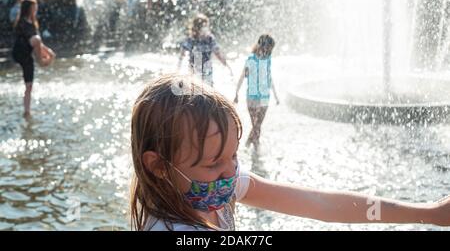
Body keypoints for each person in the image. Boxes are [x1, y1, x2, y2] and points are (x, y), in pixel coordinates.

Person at [130, 74, 450, 231]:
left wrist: (428, 213)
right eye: (214, 163)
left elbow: (323, 204)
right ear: (158, 165)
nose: (231, 173)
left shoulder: (204, 187)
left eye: (234, 156)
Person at [12, 0, 56, 119]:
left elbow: (38, 42)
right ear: (29, 9)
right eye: (34, 8)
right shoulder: (21, 23)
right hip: (20, 52)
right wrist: (43, 54)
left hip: (28, 54)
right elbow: (34, 40)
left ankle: (27, 111)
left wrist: (49, 52)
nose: (36, 10)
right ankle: (41, 61)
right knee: (36, 39)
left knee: (29, 85)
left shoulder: (32, 23)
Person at [234, 35, 280, 149]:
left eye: (270, 49)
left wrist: (275, 95)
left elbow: (269, 78)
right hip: (252, 96)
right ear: (261, 45)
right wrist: (236, 93)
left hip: (265, 96)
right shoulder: (251, 60)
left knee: (258, 125)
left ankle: (252, 146)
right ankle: (254, 148)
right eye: (268, 47)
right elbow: (242, 76)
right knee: (255, 125)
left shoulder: (268, 60)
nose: (269, 51)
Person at [178, 14, 233, 87]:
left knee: (208, 90)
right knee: (194, 90)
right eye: (205, 26)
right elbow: (182, 54)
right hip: (194, 70)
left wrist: (227, 66)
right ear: (197, 28)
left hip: (207, 71)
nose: (207, 28)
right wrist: (178, 68)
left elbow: (218, 53)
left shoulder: (209, 39)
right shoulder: (191, 39)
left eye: (207, 26)